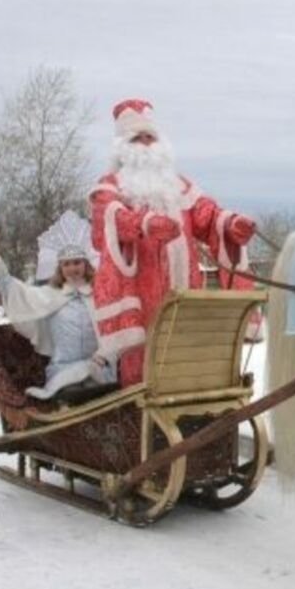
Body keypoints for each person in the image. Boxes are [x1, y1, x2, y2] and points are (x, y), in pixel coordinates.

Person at [90, 99, 256, 385]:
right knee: (143, 369)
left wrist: (230, 224)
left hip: (186, 295)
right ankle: (140, 422)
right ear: (123, 146)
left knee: (187, 360)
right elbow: (108, 219)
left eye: (150, 137)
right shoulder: (111, 186)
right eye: (137, 138)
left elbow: (206, 214)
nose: (145, 144)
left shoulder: (180, 186)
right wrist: (143, 224)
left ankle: (192, 415)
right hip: (142, 301)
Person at [0, 210, 116, 400]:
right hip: (63, 373)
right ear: (60, 268)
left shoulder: (101, 296)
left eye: (77, 262)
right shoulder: (50, 295)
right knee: (73, 397)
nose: (73, 268)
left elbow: (115, 330)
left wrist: (105, 356)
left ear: (86, 264)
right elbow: (13, 289)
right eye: (66, 264)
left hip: (101, 370)